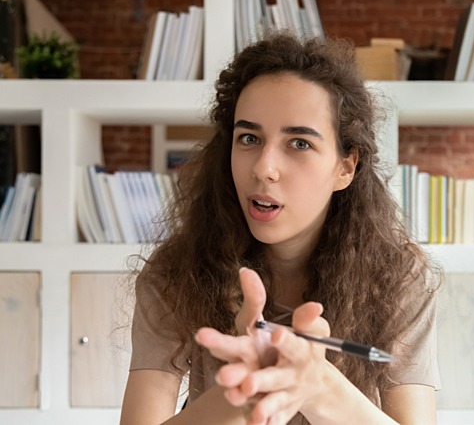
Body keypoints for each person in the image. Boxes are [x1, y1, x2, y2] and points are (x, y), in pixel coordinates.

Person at [120, 33, 441, 425]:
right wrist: (240, 394)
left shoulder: (400, 276)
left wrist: (316, 384)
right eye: (249, 138)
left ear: (346, 167)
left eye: (300, 143)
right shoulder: (175, 270)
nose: (263, 168)